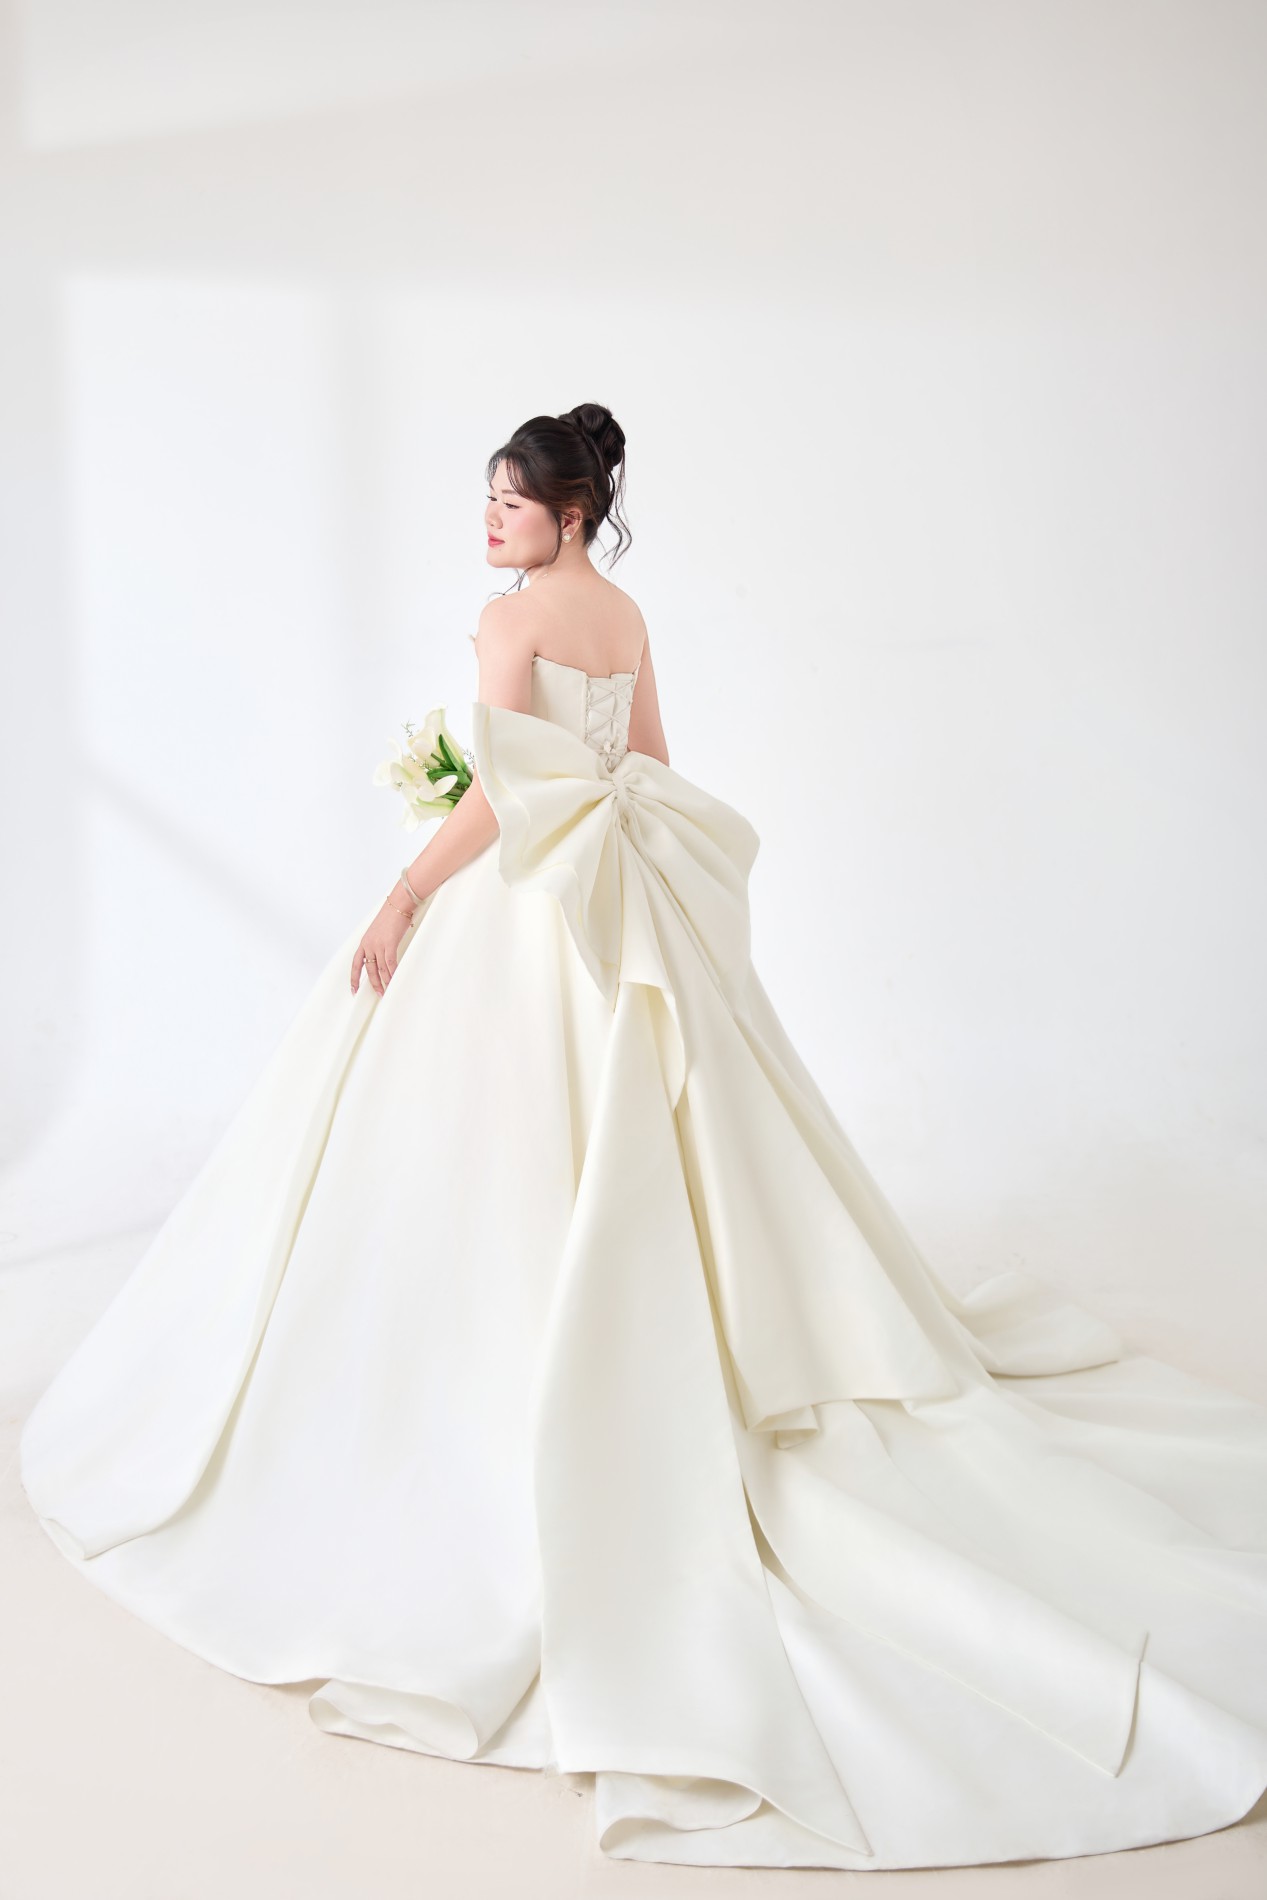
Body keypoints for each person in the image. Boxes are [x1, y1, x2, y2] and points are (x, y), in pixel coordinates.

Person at [19, 404, 1267, 1872]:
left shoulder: (510, 621)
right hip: (626, 907)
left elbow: (505, 795)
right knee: (654, 1137)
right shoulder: (621, 613)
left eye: (509, 503)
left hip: (523, 919)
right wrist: (606, 840)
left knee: (486, 1155)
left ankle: (513, 1369)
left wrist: (405, 893)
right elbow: (650, 763)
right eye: (486, 500)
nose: (489, 522)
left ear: (567, 510)